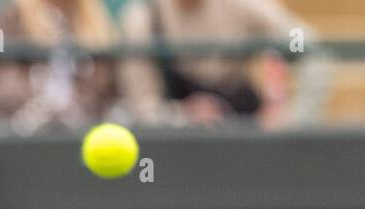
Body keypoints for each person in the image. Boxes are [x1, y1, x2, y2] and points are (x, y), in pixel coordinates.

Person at [118, 0, 329, 129]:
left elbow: (307, 44)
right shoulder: (142, 19)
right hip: (175, 155)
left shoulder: (244, 4)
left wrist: (293, 117)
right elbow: (142, 108)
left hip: (245, 140)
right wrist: (182, 118)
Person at [0, 0, 119, 133]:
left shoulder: (96, 20)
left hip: (83, 129)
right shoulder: (9, 17)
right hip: (22, 131)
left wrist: (74, 109)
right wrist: (37, 107)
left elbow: (106, 82)